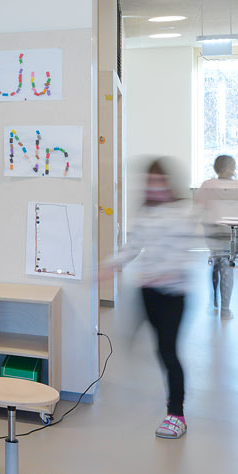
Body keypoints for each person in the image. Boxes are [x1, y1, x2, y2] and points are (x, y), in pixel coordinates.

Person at [102, 159, 198, 440]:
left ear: (169, 183)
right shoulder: (146, 213)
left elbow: (183, 256)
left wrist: (162, 273)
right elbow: (133, 246)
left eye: (159, 181)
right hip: (148, 292)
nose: (155, 187)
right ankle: (137, 338)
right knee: (156, 348)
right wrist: (109, 266)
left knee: (169, 351)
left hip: (173, 294)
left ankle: (176, 414)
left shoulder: (181, 213)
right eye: (150, 182)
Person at [194, 154, 238, 315]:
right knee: (226, 265)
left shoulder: (208, 185)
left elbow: (198, 207)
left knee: (218, 263)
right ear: (232, 168)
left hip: (213, 230)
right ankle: (225, 308)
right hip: (230, 231)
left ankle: (216, 299)